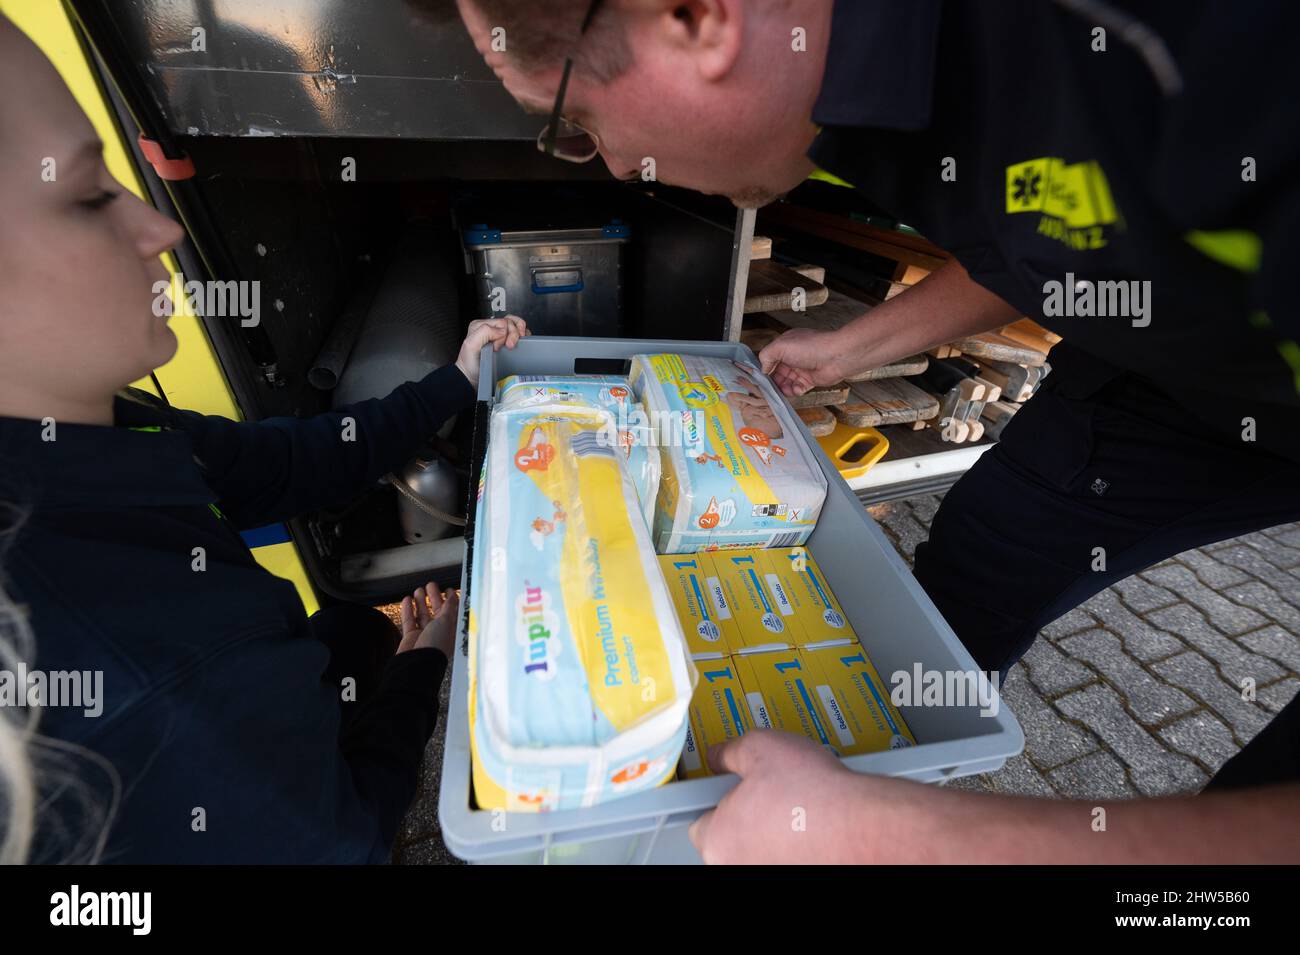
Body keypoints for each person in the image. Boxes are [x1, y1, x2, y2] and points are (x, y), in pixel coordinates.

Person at [447, 0, 1300, 862]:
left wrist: (905, 838)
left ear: (694, 17)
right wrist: (849, 348)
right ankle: (894, 747)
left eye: (579, 122)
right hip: (1162, 377)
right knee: (976, 565)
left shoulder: (1197, 58)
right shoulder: (872, 78)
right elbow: (1048, 233)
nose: (623, 168)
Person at [0, 15, 527, 863]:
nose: (163, 229)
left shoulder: (100, 429)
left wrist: (455, 380)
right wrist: (422, 669)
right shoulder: (146, 688)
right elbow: (348, 830)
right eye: (91, 194)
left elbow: (292, 461)